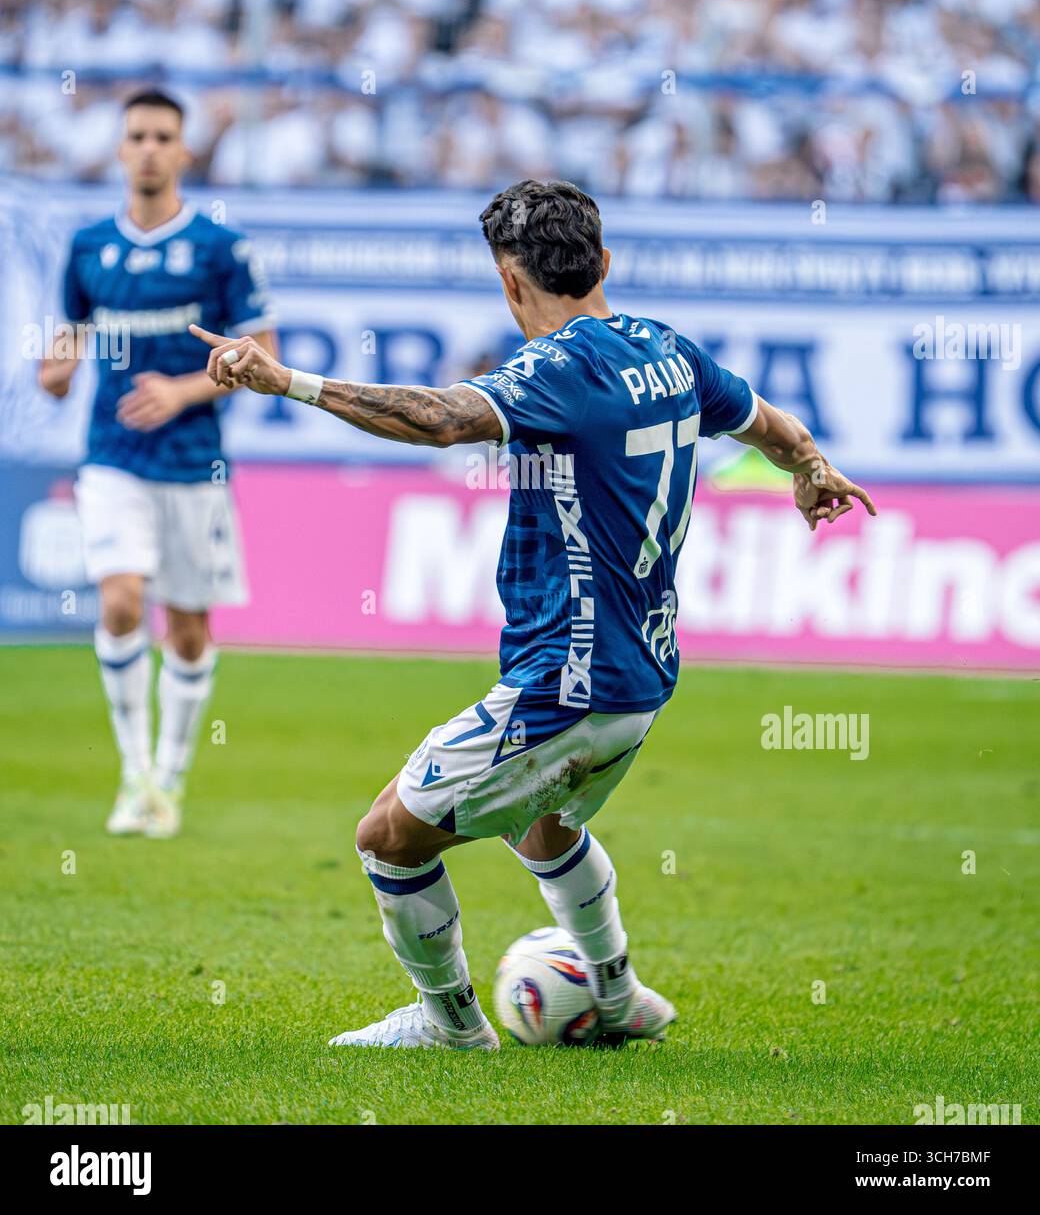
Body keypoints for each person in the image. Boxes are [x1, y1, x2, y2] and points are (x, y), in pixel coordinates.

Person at [190, 179, 875, 1048]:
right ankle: (618, 996)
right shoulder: (670, 351)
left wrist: (285, 380)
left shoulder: (559, 370)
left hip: (568, 682)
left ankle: (451, 1026)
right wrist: (810, 465)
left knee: (387, 839)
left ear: (511, 285)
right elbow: (766, 424)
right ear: (605, 263)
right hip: (642, 683)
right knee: (546, 827)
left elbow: (441, 420)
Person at [39, 89, 277, 839]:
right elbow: (73, 329)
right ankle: (134, 774)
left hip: (194, 462)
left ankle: (170, 778)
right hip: (112, 456)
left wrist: (182, 389)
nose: (147, 147)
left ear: (183, 152)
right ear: (119, 149)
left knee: (188, 629)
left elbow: (262, 355)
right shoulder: (87, 247)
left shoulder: (219, 248)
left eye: (162, 136)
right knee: (118, 600)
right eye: (136, 134)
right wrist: (58, 365)